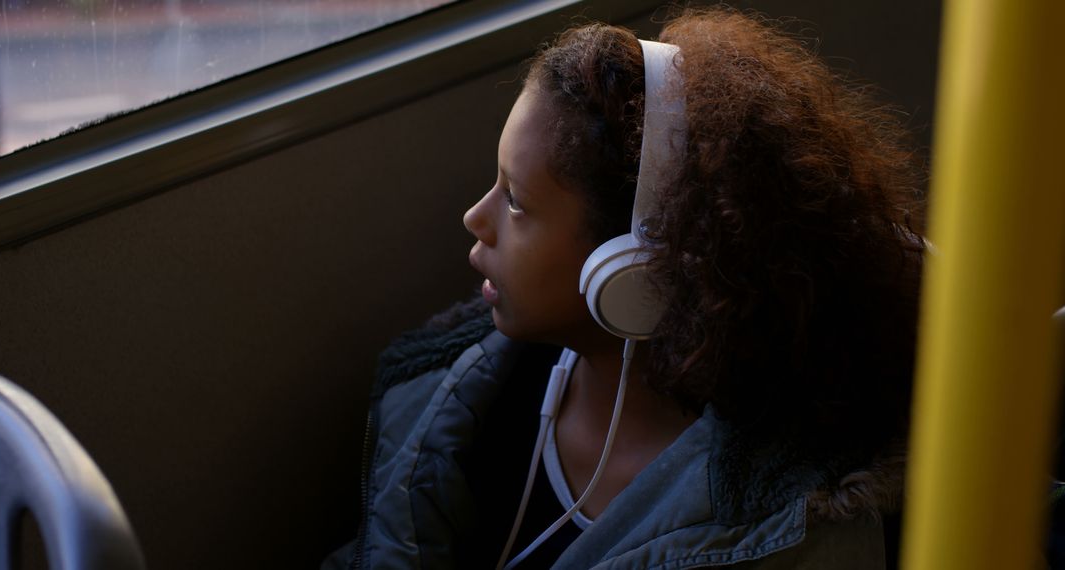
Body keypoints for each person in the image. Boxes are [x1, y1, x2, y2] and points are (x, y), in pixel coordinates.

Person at [324, 7, 925, 569]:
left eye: (515, 200)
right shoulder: (460, 404)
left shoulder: (783, 518)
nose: (475, 218)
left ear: (635, 264)